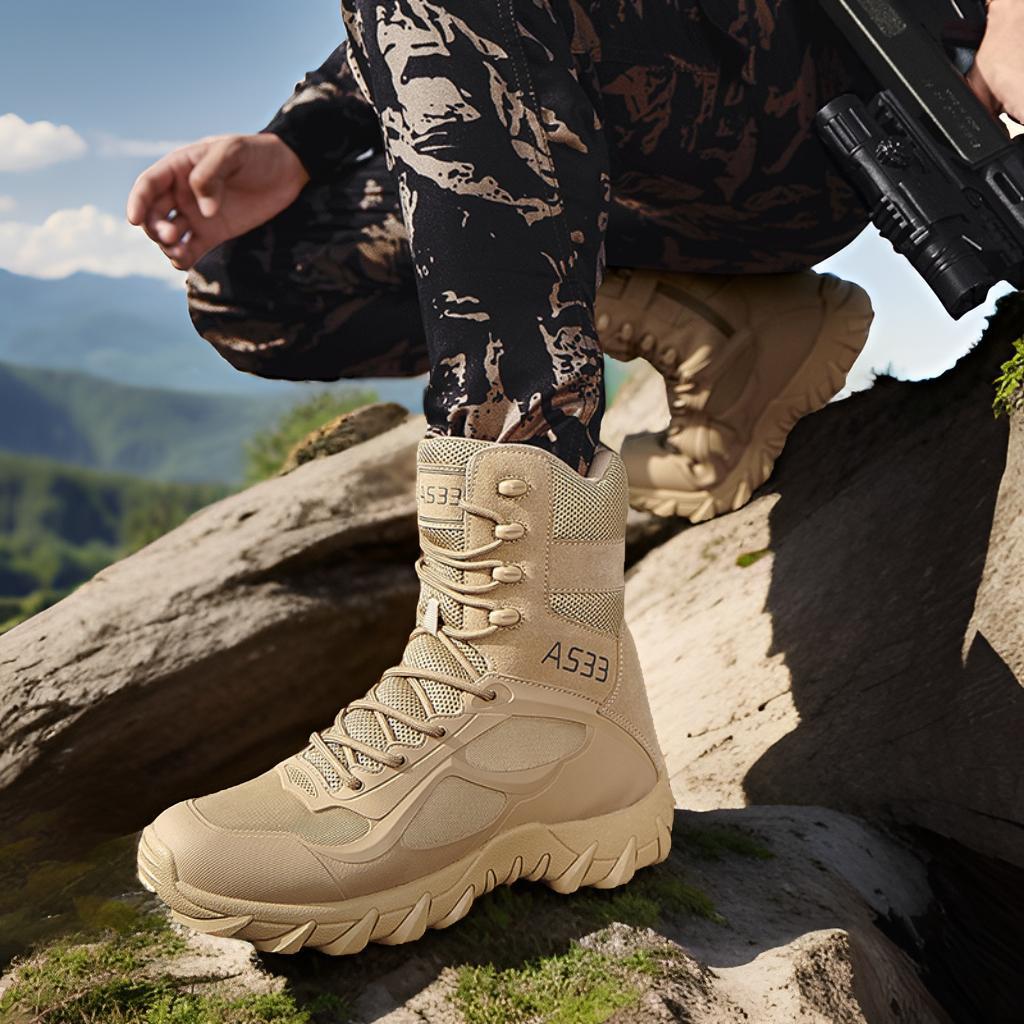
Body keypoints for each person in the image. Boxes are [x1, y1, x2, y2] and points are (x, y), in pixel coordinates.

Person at [128, 0, 1022, 956]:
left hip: (830, 95)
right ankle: (716, 323)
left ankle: (539, 676)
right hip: (631, 118)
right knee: (249, 282)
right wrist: (297, 144)